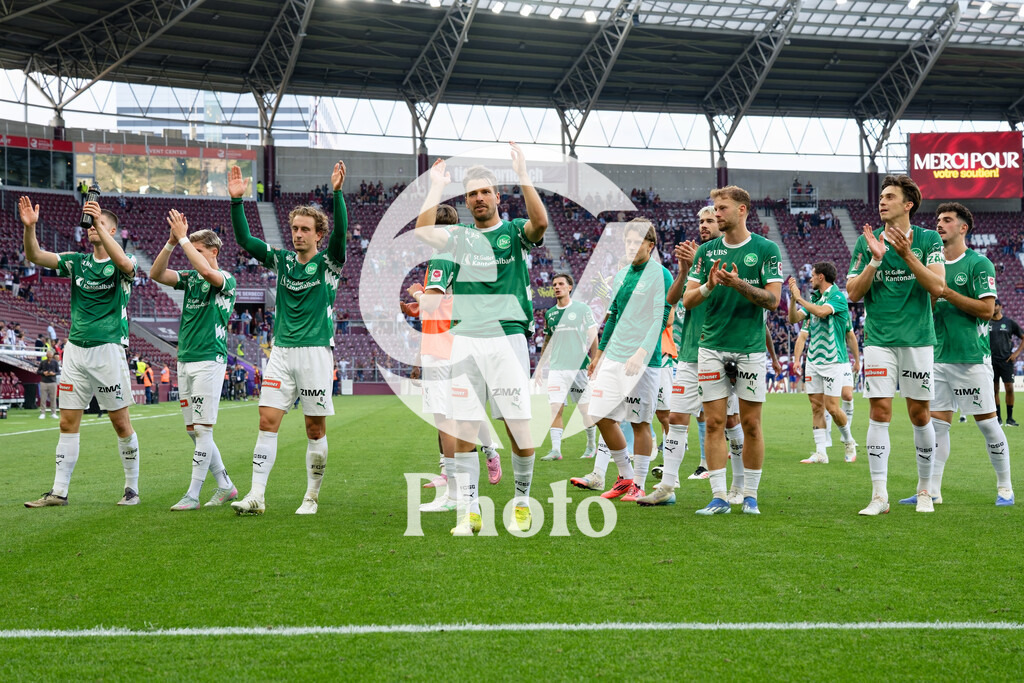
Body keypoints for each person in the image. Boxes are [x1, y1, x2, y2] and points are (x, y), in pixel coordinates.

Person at [414, 143, 548, 535]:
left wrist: (523, 173)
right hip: (466, 339)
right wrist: (436, 186)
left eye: (484, 191)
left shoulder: (512, 232)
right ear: (467, 201)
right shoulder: (458, 238)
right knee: (465, 428)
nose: (477, 198)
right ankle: (470, 512)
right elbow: (424, 231)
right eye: (471, 193)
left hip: (508, 338)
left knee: (518, 428)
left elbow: (539, 223)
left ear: (496, 196)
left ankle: (522, 502)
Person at [228, 161, 348, 516]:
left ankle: (310, 496)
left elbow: (341, 234)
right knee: (267, 421)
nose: (297, 234)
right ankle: (256, 495)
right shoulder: (281, 261)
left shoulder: (330, 263)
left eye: (305, 229)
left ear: (317, 235)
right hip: (281, 351)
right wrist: (237, 202)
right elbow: (246, 241)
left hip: (315, 353)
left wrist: (338, 193)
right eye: (294, 228)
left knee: (314, 428)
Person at [19, 194, 141, 508]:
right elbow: (35, 255)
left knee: (120, 423)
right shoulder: (77, 261)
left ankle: (131, 488)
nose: (90, 229)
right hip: (75, 350)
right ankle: (59, 492)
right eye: (90, 224)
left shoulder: (121, 264)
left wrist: (100, 223)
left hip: (108, 350)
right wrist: (30, 228)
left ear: (111, 231)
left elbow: (126, 264)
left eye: (100, 225)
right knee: (66, 422)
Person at [846, 174, 944, 516]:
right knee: (879, 411)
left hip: (918, 339)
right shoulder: (865, 242)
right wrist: (875, 259)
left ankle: (925, 491)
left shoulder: (929, 239)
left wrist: (906, 255)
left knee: (920, 414)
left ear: (908, 204)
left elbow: (938, 288)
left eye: (889, 196)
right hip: (879, 340)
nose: (882, 201)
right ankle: (879, 496)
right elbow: (854, 294)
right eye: (881, 197)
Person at [683, 185, 783, 516]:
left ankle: (751, 495)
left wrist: (738, 283)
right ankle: (719, 497)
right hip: (710, 346)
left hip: (749, 348)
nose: (716, 213)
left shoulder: (766, 249)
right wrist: (711, 285)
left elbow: (773, 300)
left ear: (742, 210)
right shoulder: (706, 252)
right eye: (714, 208)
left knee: (751, 424)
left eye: (722, 208)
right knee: (713, 423)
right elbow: (688, 300)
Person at [905, 203, 1011, 506]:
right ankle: (932, 490)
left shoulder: (979, 263)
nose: (940, 224)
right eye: (938, 220)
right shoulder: (930, 265)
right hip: (936, 357)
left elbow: (988, 310)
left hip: (970, 359)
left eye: (947, 220)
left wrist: (946, 292)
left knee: (988, 424)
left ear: (963, 228)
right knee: (937, 425)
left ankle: (1005, 487)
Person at [577, 218, 673, 504]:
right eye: (628, 241)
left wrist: (641, 353)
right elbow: (614, 317)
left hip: (644, 360)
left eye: (637, 242)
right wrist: (598, 355)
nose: (631, 246)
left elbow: (660, 318)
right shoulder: (621, 275)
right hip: (614, 357)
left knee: (640, 421)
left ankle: (640, 486)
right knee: (599, 414)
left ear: (650, 245)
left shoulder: (661, 274)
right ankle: (625, 477)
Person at [150, 211, 238, 510]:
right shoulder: (189, 279)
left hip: (208, 359)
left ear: (213, 252)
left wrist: (185, 238)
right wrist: (172, 243)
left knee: (202, 429)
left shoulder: (225, 278)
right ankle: (225, 485)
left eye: (198, 251)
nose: (192, 257)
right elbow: (156, 274)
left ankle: (193, 494)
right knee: (193, 431)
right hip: (185, 359)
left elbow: (210, 274)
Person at [787, 262, 857, 464]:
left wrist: (800, 297)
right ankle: (821, 453)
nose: (810, 278)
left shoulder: (837, 297)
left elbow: (821, 313)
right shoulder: (815, 298)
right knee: (816, 407)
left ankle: (849, 440)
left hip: (833, 361)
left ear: (821, 277)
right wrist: (793, 301)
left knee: (833, 408)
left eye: (813, 275)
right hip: (814, 361)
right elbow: (794, 319)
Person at [537, 273, 599, 461]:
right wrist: (540, 366)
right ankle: (556, 450)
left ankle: (591, 445)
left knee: (584, 409)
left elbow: (593, 336)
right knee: (555, 407)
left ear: (570, 287)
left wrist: (594, 360)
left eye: (561, 284)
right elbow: (548, 342)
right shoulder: (550, 314)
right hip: (556, 368)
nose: (557, 287)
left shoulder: (582, 309)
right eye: (554, 284)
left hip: (579, 367)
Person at [989, 299, 1022, 426]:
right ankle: (998, 418)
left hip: (1006, 361)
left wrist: (1016, 353)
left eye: (995, 305)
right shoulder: (987, 322)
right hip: (991, 361)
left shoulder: (1009, 323)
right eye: (992, 305)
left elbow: (1022, 337)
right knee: (994, 389)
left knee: (1009, 388)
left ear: (1000, 307)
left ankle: (1010, 418)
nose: (993, 307)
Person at [37, 348, 60, 419]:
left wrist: (53, 373)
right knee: (43, 398)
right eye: (48, 356)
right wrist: (43, 373)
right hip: (44, 381)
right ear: (46, 355)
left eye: (50, 356)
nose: (49, 357)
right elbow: (38, 371)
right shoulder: (43, 362)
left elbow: (58, 372)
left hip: (52, 382)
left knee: (53, 398)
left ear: (52, 356)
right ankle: (42, 413)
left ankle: (53, 413)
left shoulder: (55, 362)